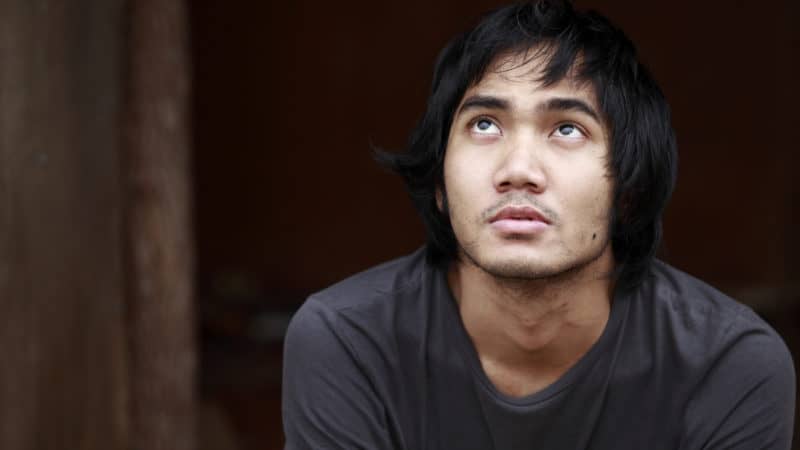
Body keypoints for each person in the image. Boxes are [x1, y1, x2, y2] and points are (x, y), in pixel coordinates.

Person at [281, 1, 796, 448]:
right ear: (439, 181)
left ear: (629, 188)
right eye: (484, 124)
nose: (518, 170)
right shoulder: (347, 341)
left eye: (567, 128)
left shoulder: (727, 365)